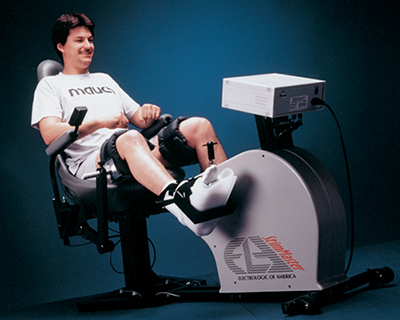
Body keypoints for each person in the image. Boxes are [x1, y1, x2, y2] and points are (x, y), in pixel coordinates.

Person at [31, 13, 236, 236]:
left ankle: (219, 203)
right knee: (129, 138)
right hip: (94, 166)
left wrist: (148, 111)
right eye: (79, 40)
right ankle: (184, 206)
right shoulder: (51, 85)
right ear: (61, 46)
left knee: (199, 126)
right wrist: (101, 123)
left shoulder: (104, 79)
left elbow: (139, 118)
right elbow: (50, 134)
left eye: (90, 40)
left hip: (129, 154)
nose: (88, 46)